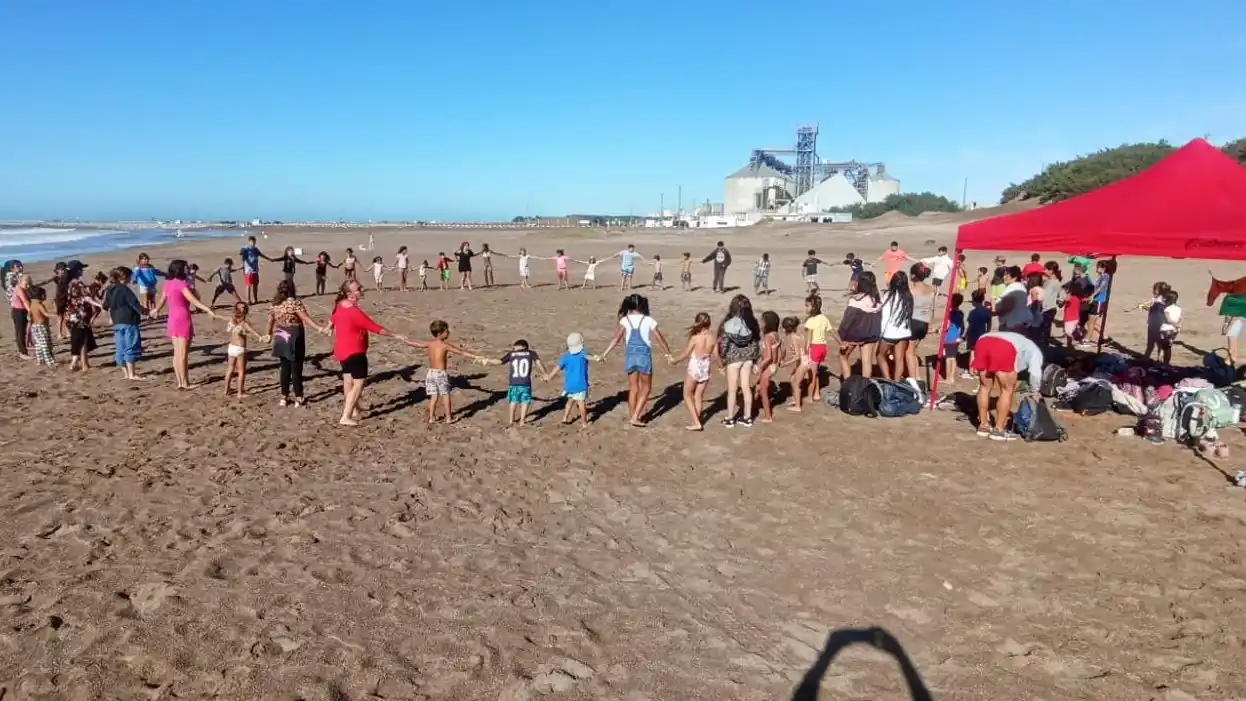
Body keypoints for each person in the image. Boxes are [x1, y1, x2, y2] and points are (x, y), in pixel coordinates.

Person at [329, 279, 402, 426]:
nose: (362, 289)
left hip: (342, 350)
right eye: (358, 289)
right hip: (355, 351)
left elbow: (333, 318)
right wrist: (396, 335)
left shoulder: (340, 305)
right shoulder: (354, 311)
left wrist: (329, 327)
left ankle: (354, 410)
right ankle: (346, 415)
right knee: (359, 384)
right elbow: (374, 327)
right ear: (350, 294)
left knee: (348, 380)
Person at [599, 294, 673, 427]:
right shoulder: (649, 320)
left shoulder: (625, 320)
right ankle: (635, 417)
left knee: (633, 388)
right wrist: (668, 354)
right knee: (646, 388)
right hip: (644, 357)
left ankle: (633, 415)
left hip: (630, 356)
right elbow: (660, 339)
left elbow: (616, 339)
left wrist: (605, 354)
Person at [152, 259, 219, 388]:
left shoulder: (168, 284)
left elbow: (161, 301)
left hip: (172, 319)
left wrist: (156, 310)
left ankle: (180, 382)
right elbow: (194, 300)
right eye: (186, 268)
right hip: (182, 318)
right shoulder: (182, 285)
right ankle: (185, 383)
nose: (188, 270)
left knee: (177, 353)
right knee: (183, 354)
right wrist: (208, 309)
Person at [970, 330, 1044, 442]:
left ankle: (983, 426)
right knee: (1007, 390)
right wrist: (1035, 391)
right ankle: (998, 430)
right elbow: (1035, 374)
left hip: (983, 341)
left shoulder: (1022, 342)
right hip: (1004, 347)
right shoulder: (1035, 351)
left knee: (984, 387)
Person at [404, 320, 482, 424]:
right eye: (446, 331)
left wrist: (406, 341)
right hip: (441, 374)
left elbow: (417, 344)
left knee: (433, 396)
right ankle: (449, 418)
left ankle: (432, 417)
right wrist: (476, 356)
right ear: (440, 334)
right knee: (446, 396)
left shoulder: (430, 343)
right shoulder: (445, 346)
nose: (448, 332)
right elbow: (461, 352)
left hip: (430, 373)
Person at [267, 280, 329, 408]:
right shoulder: (295, 303)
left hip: (280, 335)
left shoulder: (275, 304)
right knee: (296, 368)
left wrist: (268, 334)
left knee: (284, 368)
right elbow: (305, 318)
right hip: (294, 335)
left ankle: (284, 396)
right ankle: (299, 397)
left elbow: (270, 321)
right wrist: (318, 328)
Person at [714, 294, 761, 427]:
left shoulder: (727, 322)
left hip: (733, 358)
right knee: (746, 387)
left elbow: (722, 343)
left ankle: (730, 418)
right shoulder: (752, 322)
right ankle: (747, 417)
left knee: (732, 390)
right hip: (748, 357)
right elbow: (756, 341)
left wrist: (722, 361)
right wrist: (755, 360)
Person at [668, 312, 716, 430]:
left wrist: (674, 361)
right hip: (706, 366)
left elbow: (685, 354)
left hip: (695, 366)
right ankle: (697, 419)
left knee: (687, 395)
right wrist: (720, 367)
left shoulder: (695, 338)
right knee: (698, 396)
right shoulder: (712, 337)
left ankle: (696, 422)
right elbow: (716, 354)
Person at [482, 339, 547, 426]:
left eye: (515, 347)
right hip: (525, 383)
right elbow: (539, 363)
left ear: (522, 346)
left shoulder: (512, 354)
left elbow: (499, 362)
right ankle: (522, 421)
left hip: (514, 383)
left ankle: (511, 420)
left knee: (513, 401)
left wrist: (487, 360)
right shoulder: (531, 353)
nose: (514, 349)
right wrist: (545, 373)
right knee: (525, 401)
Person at [103, 266, 146, 379]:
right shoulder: (124, 289)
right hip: (129, 321)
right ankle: (132, 374)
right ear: (124, 277)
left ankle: (126, 373)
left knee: (120, 347)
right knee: (131, 346)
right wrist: (146, 312)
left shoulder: (109, 290)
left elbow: (105, 306)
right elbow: (134, 304)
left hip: (117, 322)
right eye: (130, 276)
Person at [838, 271, 883, 379]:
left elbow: (848, 320)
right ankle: (864, 386)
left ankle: (848, 383)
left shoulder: (855, 300)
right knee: (867, 361)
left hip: (855, 334)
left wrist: (842, 336)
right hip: (871, 334)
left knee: (842, 356)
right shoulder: (876, 299)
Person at [542, 332, 592, 428]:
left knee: (570, 401)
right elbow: (589, 357)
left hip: (569, 385)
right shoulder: (583, 353)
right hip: (581, 385)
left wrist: (549, 376)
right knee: (581, 404)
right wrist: (598, 358)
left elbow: (557, 368)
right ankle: (584, 423)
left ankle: (565, 418)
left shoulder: (566, 357)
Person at [222, 302, 265, 399]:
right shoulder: (244, 323)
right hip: (240, 349)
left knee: (230, 369)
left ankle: (226, 390)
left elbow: (222, 317)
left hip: (231, 347)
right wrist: (260, 337)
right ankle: (240, 393)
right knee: (241, 371)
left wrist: (213, 314)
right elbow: (253, 332)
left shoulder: (232, 320)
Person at [64, 263, 100, 372]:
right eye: (81, 269)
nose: (82, 271)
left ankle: (85, 363)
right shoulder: (78, 284)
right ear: (77, 271)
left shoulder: (68, 283)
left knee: (81, 339)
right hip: (80, 315)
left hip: (72, 315)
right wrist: (99, 305)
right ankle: (82, 364)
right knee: (82, 340)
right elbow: (86, 298)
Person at [878, 271, 913, 381]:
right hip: (904, 332)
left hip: (890, 333)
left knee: (880, 355)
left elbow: (885, 317)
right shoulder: (908, 296)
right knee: (899, 359)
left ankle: (888, 380)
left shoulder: (889, 296)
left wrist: (880, 334)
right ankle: (896, 382)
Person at [907, 263, 937, 383]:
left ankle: (913, 379)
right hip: (924, 323)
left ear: (913, 275)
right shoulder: (931, 289)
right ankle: (917, 375)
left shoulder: (912, 290)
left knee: (908, 352)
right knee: (914, 350)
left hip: (914, 321)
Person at [803, 294, 833, 403]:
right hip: (823, 348)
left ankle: (810, 397)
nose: (806, 308)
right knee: (816, 372)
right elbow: (831, 331)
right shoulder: (824, 318)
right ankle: (816, 393)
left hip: (814, 348)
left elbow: (809, 339)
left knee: (812, 374)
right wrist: (840, 342)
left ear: (813, 307)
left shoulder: (811, 321)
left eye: (807, 306)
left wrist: (806, 351)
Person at [754, 311, 782, 423]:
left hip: (768, 366)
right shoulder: (776, 335)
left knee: (764, 393)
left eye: (762, 321)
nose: (760, 323)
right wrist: (778, 362)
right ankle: (754, 406)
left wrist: (760, 366)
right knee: (758, 387)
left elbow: (769, 356)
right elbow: (781, 350)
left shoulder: (767, 337)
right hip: (773, 366)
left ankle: (767, 416)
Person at [781, 316, 812, 411]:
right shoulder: (800, 335)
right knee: (792, 379)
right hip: (806, 360)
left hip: (803, 362)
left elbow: (797, 356)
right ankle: (795, 399)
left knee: (795, 384)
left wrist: (785, 363)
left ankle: (798, 406)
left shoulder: (793, 338)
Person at [994, 266, 1032, 334]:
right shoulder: (1020, 286)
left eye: (1007, 275)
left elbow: (1007, 307)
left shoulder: (1012, 288)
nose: (1004, 277)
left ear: (1014, 277)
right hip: (1020, 321)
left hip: (1012, 324)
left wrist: (995, 311)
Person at [1085, 259, 1115, 344]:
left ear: (1103, 268)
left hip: (1099, 300)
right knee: (1090, 321)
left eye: (1098, 266)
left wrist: (1092, 295)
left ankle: (1089, 339)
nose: (1096, 268)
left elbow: (1100, 288)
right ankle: (1105, 336)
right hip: (1096, 300)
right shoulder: (1101, 277)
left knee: (1092, 321)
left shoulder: (1105, 276)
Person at [27, 286, 55, 367]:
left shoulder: (32, 305)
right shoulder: (39, 305)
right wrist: (56, 315)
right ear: (41, 295)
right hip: (41, 327)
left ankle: (40, 360)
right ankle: (50, 362)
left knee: (38, 345)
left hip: (34, 327)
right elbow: (46, 314)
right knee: (45, 345)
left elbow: (29, 316)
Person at [6, 262, 30, 358]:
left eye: (21, 265)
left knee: (21, 331)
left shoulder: (17, 278)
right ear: (12, 268)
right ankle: (22, 352)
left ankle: (23, 349)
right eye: (18, 266)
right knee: (20, 331)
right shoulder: (13, 279)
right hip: (18, 308)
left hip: (17, 306)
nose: (21, 267)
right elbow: (24, 300)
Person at [239, 236, 271, 304]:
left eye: (254, 242)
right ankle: (248, 300)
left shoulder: (256, 249)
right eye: (251, 242)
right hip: (248, 271)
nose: (253, 243)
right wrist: (242, 252)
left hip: (255, 270)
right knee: (248, 285)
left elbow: (261, 254)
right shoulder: (246, 250)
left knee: (255, 285)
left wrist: (269, 259)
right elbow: (241, 256)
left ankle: (255, 299)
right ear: (249, 242)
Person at [942, 293, 966, 384]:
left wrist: (940, 330)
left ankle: (949, 378)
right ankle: (951, 376)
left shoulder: (950, 313)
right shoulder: (961, 313)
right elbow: (962, 326)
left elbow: (947, 326)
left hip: (949, 337)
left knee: (948, 358)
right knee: (953, 357)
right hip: (957, 337)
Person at [1158, 290, 1181, 365]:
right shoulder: (1178, 308)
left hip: (1166, 329)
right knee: (1168, 347)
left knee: (1166, 348)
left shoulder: (1166, 309)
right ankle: (1164, 362)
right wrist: (1177, 326)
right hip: (1174, 330)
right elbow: (1180, 318)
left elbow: (1168, 320)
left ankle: (1165, 363)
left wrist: (1174, 324)